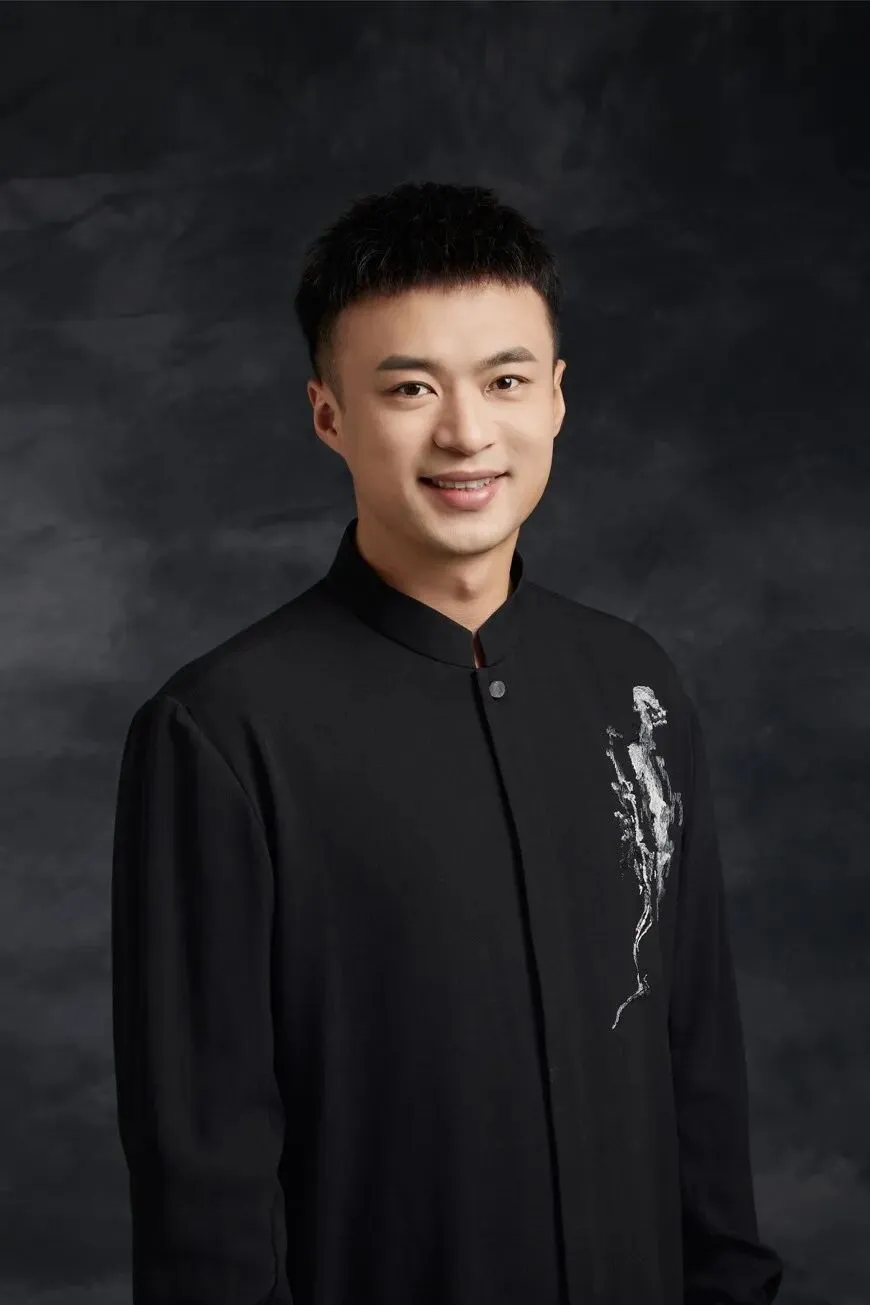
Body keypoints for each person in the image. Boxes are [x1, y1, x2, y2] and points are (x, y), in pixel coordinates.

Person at [111, 181, 784, 1305]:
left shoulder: (636, 689)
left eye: (506, 381)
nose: (466, 433)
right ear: (329, 414)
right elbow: (203, 1184)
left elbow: (697, 1068)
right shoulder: (221, 734)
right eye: (410, 388)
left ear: (557, 396)